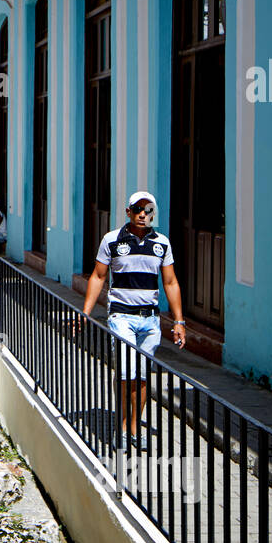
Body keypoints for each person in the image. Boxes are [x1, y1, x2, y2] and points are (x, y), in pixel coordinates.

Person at [79, 191, 187, 450]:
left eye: (148, 210)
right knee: (126, 374)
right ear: (128, 212)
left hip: (150, 321)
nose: (143, 214)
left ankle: (134, 425)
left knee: (141, 377)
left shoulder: (162, 243)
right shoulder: (112, 240)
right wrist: (85, 312)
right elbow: (98, 276)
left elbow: (170, 282)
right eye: (137, 209)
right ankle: (123, 427)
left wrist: (179, 321)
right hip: (121, 317)